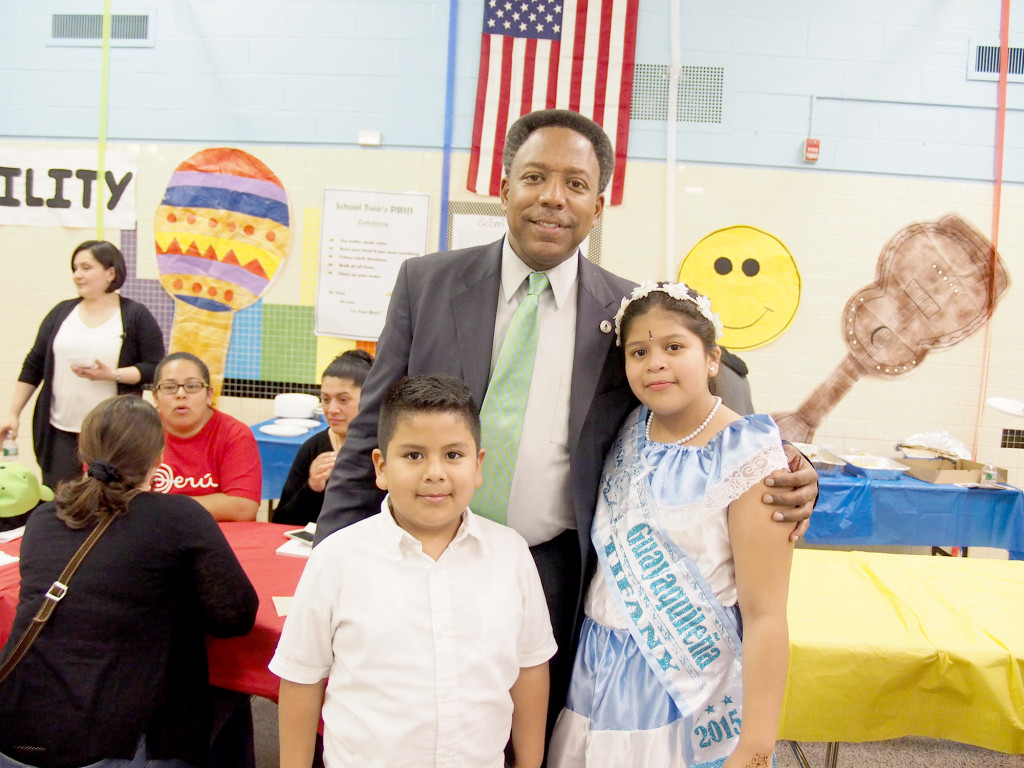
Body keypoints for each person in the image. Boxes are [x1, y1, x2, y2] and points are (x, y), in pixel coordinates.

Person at [315, 109, 818, 729]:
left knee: (530, 732)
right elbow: (370, 429)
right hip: (422, 551)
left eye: (576, 184)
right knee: (410, 719)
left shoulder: (629, 316)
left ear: (598, 204)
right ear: (504, 189)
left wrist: (790, 466)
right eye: (535, 178)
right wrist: (327, 568)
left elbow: (709, 409)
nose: (553, 198)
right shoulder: (427, 284)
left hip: (551, 570)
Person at [547, 282, 793, 767]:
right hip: (597, 672)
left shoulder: (747, 454)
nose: (655, 362)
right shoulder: (625, 430)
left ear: (712, 358)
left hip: (688, 688)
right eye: (639, 351)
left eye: (674, 347)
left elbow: (767, 614)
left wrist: (757, 743)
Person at [271, 375, 556, 768]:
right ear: (381, 467)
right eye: (414, 455)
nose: (435, 472)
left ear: (479, 465)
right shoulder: (337, 558)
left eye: (453, 455)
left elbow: (531, 669)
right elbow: (301, 678)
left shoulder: (511, 554)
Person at [0, 395, 258, 768]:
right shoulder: (179, 516)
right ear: (158, 458)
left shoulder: (44, 517)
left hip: (15, 727)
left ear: (82, 452)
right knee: (223, 690)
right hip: (104, 742)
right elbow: (235, 617)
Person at [1, 240, 165, 489]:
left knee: (108, 501)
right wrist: (13, 413)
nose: (78, 275)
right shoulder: (61, 313)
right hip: (60, 430)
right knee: (61, 501)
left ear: (111, 272)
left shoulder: (135, 315)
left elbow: (155, 367)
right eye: (75, 268)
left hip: (112, 435)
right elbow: (34, 363)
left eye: (86, 267)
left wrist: (113, 374)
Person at [151, 352, 262, 521]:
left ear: (209, 395)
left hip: (218, 537)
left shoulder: (235, 435)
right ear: (155, 397)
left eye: (192, 386)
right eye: (169, 387)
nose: (181, 394)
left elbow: (243, 508)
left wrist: (162, 506)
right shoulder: (139, 433)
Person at [272, 349, 373, 526]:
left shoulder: (384, 449)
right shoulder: (313, 448)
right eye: (326, 400)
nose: (332, 409)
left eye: (343, 400)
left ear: (369, 397)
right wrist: (312, 487)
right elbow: (281, 521)